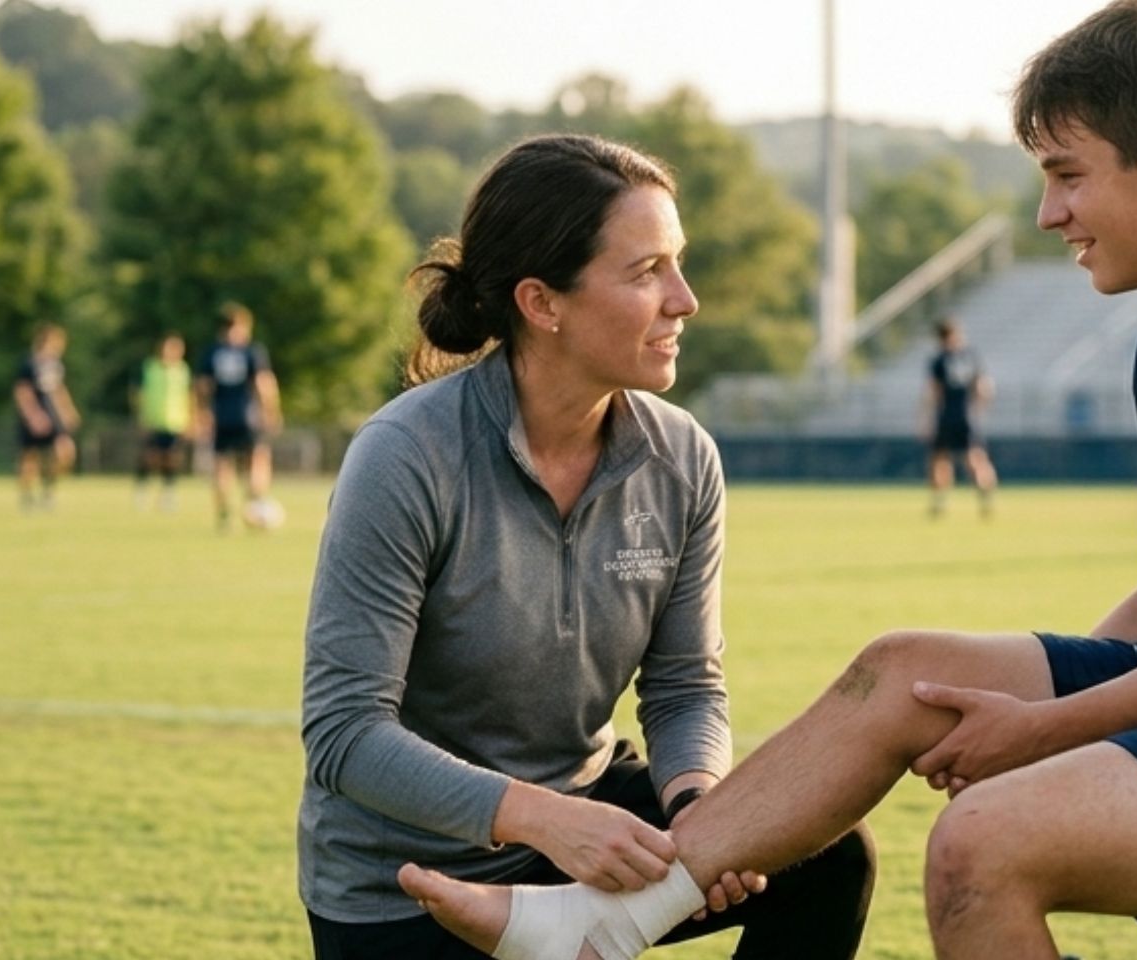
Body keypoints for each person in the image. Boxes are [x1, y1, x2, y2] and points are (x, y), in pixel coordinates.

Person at [398, 3, 1137, 958]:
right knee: (901, 671)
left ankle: (593, 924)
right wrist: (1021, 718)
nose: (1049, 214)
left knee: (981, 848)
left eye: (1067, 176)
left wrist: (1047, 733)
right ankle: (610, 922)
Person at [298, 134, 876, 960]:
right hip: (405, 887)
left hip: (588, 826)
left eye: (678, 263)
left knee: (826, 857)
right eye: (647, 272)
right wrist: (548, 821)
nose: (685, 299)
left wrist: (699, 812)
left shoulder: (682, 458)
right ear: (542, 303)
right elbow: (346, 733)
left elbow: (684, 688)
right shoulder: (406, 456)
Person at [195, 303, 281, 531]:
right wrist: (271, 411)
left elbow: (203, 386)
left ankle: (224, 515)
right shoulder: (251, 351)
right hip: (248, 416)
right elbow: (263, 383)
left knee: (222, 465)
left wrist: (203, 413)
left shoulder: (212, 352)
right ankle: (254, 504)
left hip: (222, 416)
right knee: (258, 459)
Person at [925, 318, 1000, 518]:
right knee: (975, 458)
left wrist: (926, 418)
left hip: (947, 415)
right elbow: (984, 388)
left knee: (940, 459)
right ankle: (986, 500)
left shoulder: (939, 360)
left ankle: (939, 503)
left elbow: (934, 392)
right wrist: (978, 410)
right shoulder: (971, 356)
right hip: (967, 415)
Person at [14, 323, 80, 512]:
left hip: (54, 416)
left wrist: (68, 411)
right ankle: (27, 498)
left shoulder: (56, 365)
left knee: (64, 453)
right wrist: (34, 416)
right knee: (30, 458)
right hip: (34, 417)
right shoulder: (29, 363)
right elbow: (22, 391)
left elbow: (58, 389)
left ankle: (48, 491)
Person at [131, 332, 192, 511]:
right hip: (153, 420)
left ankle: (168, 493)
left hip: (175, 422)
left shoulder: (182, 370)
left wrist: (191, 419)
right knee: (149, 457)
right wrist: (141, 416)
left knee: (171, 459)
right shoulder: (150, 368)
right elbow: (138, 394)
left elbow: (188, 396)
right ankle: (141, 489)